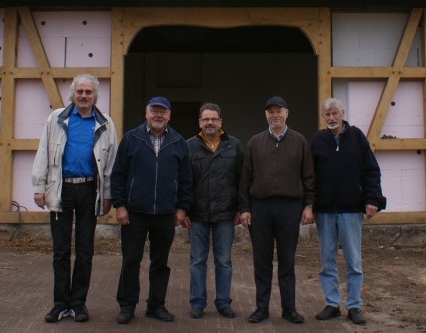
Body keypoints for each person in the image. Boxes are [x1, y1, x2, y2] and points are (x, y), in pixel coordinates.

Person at [31, 73, 117, 324]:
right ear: (73, 94)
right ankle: (60, 304)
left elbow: (110, 162)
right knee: (60, 251)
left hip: (89, 191)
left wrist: (109, 194)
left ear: (95, 96)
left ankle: (79, 303)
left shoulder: (105, 123)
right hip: (61, 190)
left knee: (85, 251)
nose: (83, 96)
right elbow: (43, 152)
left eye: (88, 92)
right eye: (79, 92)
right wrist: (39, 186)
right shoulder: (56, 119)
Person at [111, 96, 193, 325]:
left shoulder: (178, 142)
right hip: (134, 213)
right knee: (131, 260)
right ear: (146, 114)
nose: (158, 116)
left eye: (163, 112)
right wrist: (120, 205)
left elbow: (186, 180)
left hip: (166, 213)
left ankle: (156, 306)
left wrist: (182, 209)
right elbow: (118, 175)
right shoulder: (131, 139)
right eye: (154, 111)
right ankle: (127, 306)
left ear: (169, 115)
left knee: (160, 262)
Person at [238, 96, 316, 325]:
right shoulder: (255, 142)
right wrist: (244, 208)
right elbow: (245, 179)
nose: (275, 115)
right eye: (270, 112)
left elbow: (309, 176)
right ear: (266, 115)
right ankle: (261, 308)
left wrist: (309, 205)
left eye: (278, 111)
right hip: (260, 208)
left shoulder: (300, 141)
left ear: (286, 113)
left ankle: (288, 309)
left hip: (290, 208)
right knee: (261, 260)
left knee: (287, 261)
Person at [309, 97, 382, 325]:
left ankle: (354, 305)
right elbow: (309, 176)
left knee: (353, 261)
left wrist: (372, 198)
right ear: (323, 117)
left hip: (351, 210)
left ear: (342, 114)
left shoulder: (357, 137)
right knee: (327, 260)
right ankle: (332, 303)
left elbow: (371, 170)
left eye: (335, 114)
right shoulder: (317, 140)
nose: (331, 118)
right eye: (327, 115)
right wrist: (309, 204)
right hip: (325, 211)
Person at [185, 103, 244, 319]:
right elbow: (183, 182)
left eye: (214, 119)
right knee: (197, 260)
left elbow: (242, 181)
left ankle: (223, 302)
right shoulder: (189, 146)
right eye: (206, 119)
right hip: (197, 214)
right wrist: (183, 210)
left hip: (225, 214)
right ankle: (197, 303)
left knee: (224, 261)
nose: (210, 123)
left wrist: (241, 208)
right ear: (199, 122)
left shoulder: (234, 146)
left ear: (221, 122)